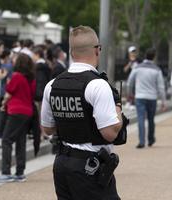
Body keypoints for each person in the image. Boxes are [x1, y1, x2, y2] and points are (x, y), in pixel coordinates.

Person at [41, 25, 123, 199]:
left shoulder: (53, 84)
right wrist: (118, 110)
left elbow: (47, 129)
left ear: (71, 52)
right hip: (90, 167)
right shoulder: (98, 85)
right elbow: (110, 133)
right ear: (97, 50)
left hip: (62, 163)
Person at [0, 53, 36, 183]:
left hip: (16, 111)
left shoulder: (17, 76)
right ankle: (20, 172)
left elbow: (8, 93)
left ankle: (6, 172)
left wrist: (3, 105)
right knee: (20, 141)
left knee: (6, 140)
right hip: (28, 112)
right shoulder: (32, 79)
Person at [127, 48, 166, 148]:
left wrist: (130, 93)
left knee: (141, 119)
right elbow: (161, 87)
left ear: (145, 56)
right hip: (152, 98)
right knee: (151, 119)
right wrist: (163, 101)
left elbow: (130, 82)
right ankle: (151, 139)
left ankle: (141, 141)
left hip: (140, 97)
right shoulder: (157, 69)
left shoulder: (138, 68)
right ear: (154, 57)